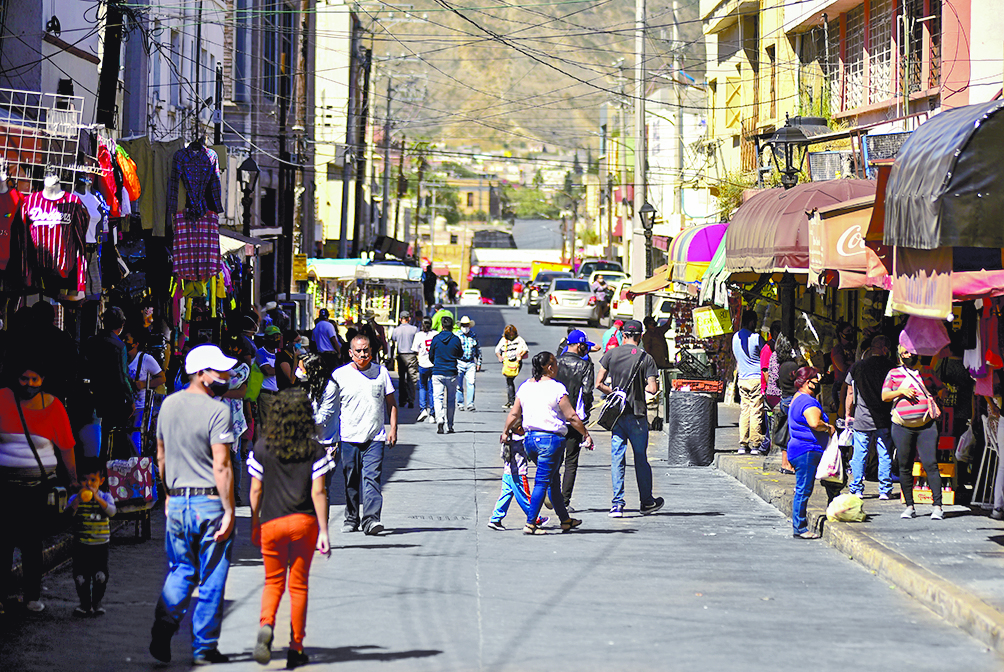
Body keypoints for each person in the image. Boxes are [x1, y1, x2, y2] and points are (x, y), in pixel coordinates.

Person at [150, 344, 237, 665]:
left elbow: (160, 456)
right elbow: (222, 465)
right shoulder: (219, 411)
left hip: (178, 501)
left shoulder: (168, 405)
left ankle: (165, 621)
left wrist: (169, 495)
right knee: (212, 576)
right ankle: (203, 647)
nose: (226, 376)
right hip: (210, 503)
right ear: (201, 374)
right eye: (220, 371)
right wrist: (229, 509)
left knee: (181, 569)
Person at [248, 388, 333, 669]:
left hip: (271, 523)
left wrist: (254, 522)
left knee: (273, 582)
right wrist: (324, 531)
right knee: (298, 587)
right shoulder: (314, 449)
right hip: (304, 523)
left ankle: (267, 625)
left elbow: (256, 489)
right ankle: (296, 647)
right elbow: (319, 492)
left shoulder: (262, 447)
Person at [0, 361, 78, 614]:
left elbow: (66, 446)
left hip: (39, 488)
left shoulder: (54, 406)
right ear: (16, 378)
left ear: (43, 379)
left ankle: (32, 596)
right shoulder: (2, 399)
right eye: (24, 378)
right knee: (4, 542)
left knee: (32, 542)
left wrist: (74, 478)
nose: (29, 385)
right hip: (6, 487)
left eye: (35, 379)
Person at [500, 352, 592, 535]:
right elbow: (571, 416)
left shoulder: (526, 386)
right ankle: (530, 523)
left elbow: (514, 414)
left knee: (553, 481)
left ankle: (565, 520)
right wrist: (586, 434)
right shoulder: (557, 388)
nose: (557, 367)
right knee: (542, 482)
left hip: (530, 441)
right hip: (550, 441)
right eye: (555, 364)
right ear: (549, 367)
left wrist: (505, 431)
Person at [316, 334, 398, 535]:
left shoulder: (381, 373)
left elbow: (391, 404)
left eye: (366, 350)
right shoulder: (339, 375)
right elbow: (330, 409)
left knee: (372, 478)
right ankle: (352, 517)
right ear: (351, 353)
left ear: (372, 351)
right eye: (359, 351)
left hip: (375, 437)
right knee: (351, 480)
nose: (363, 354)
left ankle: (371, 520)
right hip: (348, 437)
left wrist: (393, 429)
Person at [596, 320, 665, 518]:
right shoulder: (646, 358)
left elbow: (599, 383)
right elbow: (652, 389)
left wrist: (616, 393)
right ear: (640, 336)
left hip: (617, 416)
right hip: (637, 415)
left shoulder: (610, 354)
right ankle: (646, 502)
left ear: (623, 335)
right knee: (641, 458)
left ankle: (617, 504)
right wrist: (637, 391)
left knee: (617, 459)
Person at [883, 333, 945, 521]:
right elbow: (885, 395)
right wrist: (901, 391)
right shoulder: (893, 373)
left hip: (926, 425)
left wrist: (936, 397)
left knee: (930, 464)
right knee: (904, 465)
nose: (908, 354)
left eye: (911, 351)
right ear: (900, 354)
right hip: (902, 425)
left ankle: (938, 506)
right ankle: (910, 505)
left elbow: (942, 388)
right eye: (905, 351)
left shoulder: (927, 372)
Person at [787, 367, 836, 539]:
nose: (819, 382)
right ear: (808, 382)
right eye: (816, 379)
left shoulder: (797, 398)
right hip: (807, 450)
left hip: (800, 449)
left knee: (806, 487)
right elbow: (815, 423)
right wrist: (828, 427)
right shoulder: (808, 401)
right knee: (804, 489)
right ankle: (800, 528)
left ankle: (833, 510)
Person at [845, 335, 895, 499]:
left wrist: (847, 414)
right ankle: (885, 490)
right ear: (885, 349)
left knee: (860, 454)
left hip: (862, 417)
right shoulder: (891, 367)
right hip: (883, 417)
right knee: (885, 454)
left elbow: (850, 392)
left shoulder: (858, 366)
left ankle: (857, 488)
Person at [66, 459, 116, 617]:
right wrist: (78, 500)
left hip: (100, 545)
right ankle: (85, 604)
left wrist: (97, 498)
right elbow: (68, 516)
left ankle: (97, 602)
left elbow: (111, 512)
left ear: (100, 481)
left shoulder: (106, 497)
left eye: (92, 480)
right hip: (81, 544)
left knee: (100, 575)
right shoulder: (76, 498)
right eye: (84, 480)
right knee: (81, 576)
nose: (88, 484)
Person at [84, 306, 135, 454]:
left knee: (96, 434)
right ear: (121, 325)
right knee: (113, 435)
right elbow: (122, 376)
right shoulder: (119, 346)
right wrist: (130, 399)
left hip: (93, 393)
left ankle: (100, 464)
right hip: (113, 398)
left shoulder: (91, 341)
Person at [555, 329, 595, 510]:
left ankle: (551, 495)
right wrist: (586, 412)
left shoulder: (554, 363)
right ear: (579, 345)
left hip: (554, 417)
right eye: (585, 346)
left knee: (554, 459)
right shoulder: (586, 366)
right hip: (574, 419)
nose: (586, 349)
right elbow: (587, 392)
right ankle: (563, 501)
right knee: (571, 461)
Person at [487, 423, 549, 531]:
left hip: (507, 472)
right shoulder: (523, 441)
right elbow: (530, 453)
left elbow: (502, 455)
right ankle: (536, 518)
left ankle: (495, 518)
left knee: (505, 495)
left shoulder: (507, 439)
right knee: (525, 497)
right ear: (520, 428)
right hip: (519, 474)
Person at [124, 327, 167, 455]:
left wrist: (144, 384)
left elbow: (162, 377)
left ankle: (137, 467)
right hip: (125, 407)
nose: (124, 342)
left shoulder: (145, 359)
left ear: (136, 343)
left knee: (136, 439)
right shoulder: (122, 358)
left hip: (140, 406)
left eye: (127, 339)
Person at [732, 309, 763, 454]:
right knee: (756, 410)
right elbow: (765, 356)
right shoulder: (756, 338)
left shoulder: (735, 337)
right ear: (751, 322)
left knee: (745, 410)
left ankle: (742, 444)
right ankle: (755, 444)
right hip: (756, 378)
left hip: (742, 378)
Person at [769, 334, 799, 474]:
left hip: (784, 399)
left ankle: (784, 463)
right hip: (792, 401)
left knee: (784, 434)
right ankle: (789, 465)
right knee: (791, 434)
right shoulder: (793, 365)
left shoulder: (781, 366)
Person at [429, 315, 463, 434]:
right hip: (452, 372)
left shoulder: (436, 339)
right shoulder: (456, 339)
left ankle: (440, 419)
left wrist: (436, 362)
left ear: (442, 326)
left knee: (438, 398)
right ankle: (450, 425)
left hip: (437, 372)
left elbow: (431, 356)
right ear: (452, 327)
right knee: (451, 400)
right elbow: (460, 354)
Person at [756, 320, 782, 455]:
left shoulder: (777, 348)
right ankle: (765, 446)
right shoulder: (768, 349)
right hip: (770, 391)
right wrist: (771, 386)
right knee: (771, 420)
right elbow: (765, 371)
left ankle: (765, 446)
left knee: (772, 421)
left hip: (773, 390)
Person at [390, 311, 420, 409]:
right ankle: (411, 399)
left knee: (402, 379)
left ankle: (402, 400)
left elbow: (393, 341)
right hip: (411, 355)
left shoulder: (396, 330)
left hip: (401, 355)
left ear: (400, 319)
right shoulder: (414, 329)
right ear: (409, 318)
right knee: (412, 379)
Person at [494, 324, 528, 409]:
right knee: (509, 381)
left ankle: (512, 401)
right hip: (507, 363)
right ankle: (511, 401)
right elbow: (497, 350)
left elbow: (525, 349)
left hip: (516, 362)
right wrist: (500, 357)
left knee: (510, 381)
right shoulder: (504, 340)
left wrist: (520, 355)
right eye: (509, 334)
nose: (511, 336)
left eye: (512, 333)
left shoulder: (519, 339)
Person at [257, 325, 281, 428]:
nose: (275, 339)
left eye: (277, 337)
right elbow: (268, 371)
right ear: (266, 338)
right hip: (267, 396)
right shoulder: (260, 352)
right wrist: (282, 369)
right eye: (272, 337)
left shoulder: (279, 353)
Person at [456, 316, 482, 411]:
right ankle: (460, 403)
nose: (465, 327)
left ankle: (470, 404)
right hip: (459, 362)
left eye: (466, 325)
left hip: (471, 363)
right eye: (463, 325)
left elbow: (478, 350)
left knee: (471, 383)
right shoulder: (457, 336)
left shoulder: (473, 336)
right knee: (458, 385)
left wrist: (479, 363)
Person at [830, 322, 856, 416]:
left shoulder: (853, 347)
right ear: (841, 334)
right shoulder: (837, 349)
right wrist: (852, 364)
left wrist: (850, 363)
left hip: (852, 384)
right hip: (840, 385)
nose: (851, 333)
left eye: (851, 331)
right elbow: (842, 367)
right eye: (848, 331)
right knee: (842, 414)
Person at [415, 317, 437, 423]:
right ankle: (432, 414)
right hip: (433, 364)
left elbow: (415, 350)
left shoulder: (418, 335)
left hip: (422, 363)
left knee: (422, 387)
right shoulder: (435, 334)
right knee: (432, 389)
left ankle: (423, 409)